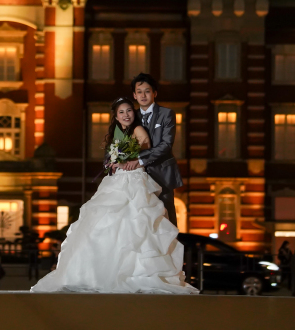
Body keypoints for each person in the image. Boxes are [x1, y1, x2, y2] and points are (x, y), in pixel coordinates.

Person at [31, 97, 197, 294]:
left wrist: (129, 160)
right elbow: (112, 157)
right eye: (122, 112)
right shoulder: (116, 134)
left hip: (133, 180)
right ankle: (99, 272)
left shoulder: (138, 130)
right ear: (116, 116)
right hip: (117, 180)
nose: (126, 115)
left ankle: (133, 273)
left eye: (129, 111)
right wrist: (113, 162)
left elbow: (146, 152)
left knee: (135, 223)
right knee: (104, 224)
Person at [119, 73, 183, 226]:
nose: (143, 95)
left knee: (166, 218)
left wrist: (139, 160)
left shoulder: (166, 114)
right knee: (140, 219)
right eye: (139, 91)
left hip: (162, 174)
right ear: (134, 95)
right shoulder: (131, 117)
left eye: (147, 91)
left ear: (154, 93)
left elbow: (166, 144)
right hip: (138, 177)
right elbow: (120, 142)